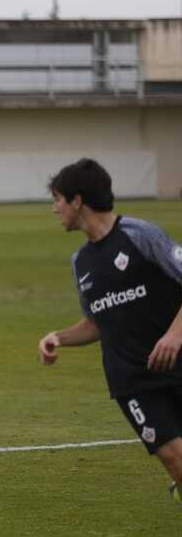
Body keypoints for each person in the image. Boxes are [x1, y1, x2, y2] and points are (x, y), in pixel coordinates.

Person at [38, 158, 182, 506]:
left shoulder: (140, 236)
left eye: (58, 199)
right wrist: (59, 337)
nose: (55, 208)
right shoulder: (81, 262)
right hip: (132, 381)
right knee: (177, 460)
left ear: (77, 200)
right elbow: (97, 321)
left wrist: (175, 334)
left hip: (175, 363)